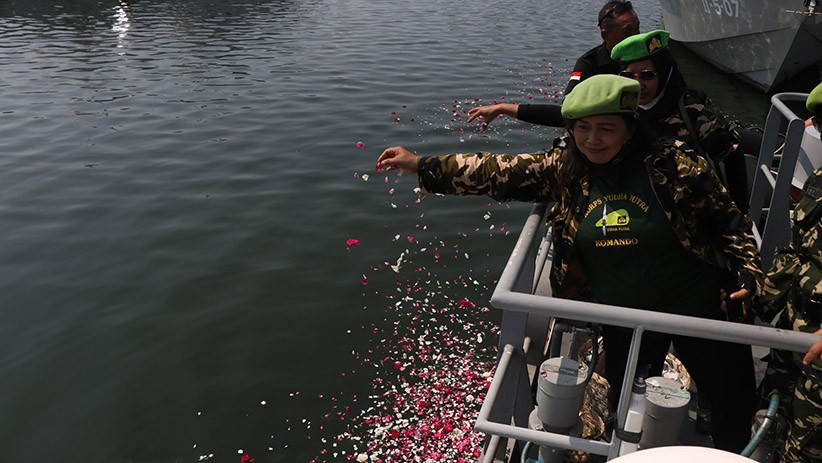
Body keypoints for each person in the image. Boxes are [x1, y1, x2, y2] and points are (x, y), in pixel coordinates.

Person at [377, 74, 763, 453]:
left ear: (630, 128)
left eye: (605, 129)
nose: (592, 139)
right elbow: (498, 172)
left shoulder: (677, 166)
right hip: (625, 316)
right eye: (582, 128)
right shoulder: (567, 169)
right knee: (625, 401)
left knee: (732, 402)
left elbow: (730, 222)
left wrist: (749, 271)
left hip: (700, 307)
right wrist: (421, 165)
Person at [609, 29, 752, 213]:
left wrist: (740, 211)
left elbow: (732, 156)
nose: (638, 84)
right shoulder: (621, 112)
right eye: (628, 77)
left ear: (664, 73)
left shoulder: (692, 110)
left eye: (647, 75)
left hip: (691, 210)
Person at [756, 82, 822, 462]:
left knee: (806, 449)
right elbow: (797, 250)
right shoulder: (818, 183)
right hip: (795, 333)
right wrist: (762, 298)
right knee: (772, 416)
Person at [465, 0, 640, 128]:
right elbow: (566, 113)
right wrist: (503, 108)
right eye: (627, 31)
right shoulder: (589, 64)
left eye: (637, 28)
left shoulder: (652, 56)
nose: (636, 36)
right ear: (605, 35)